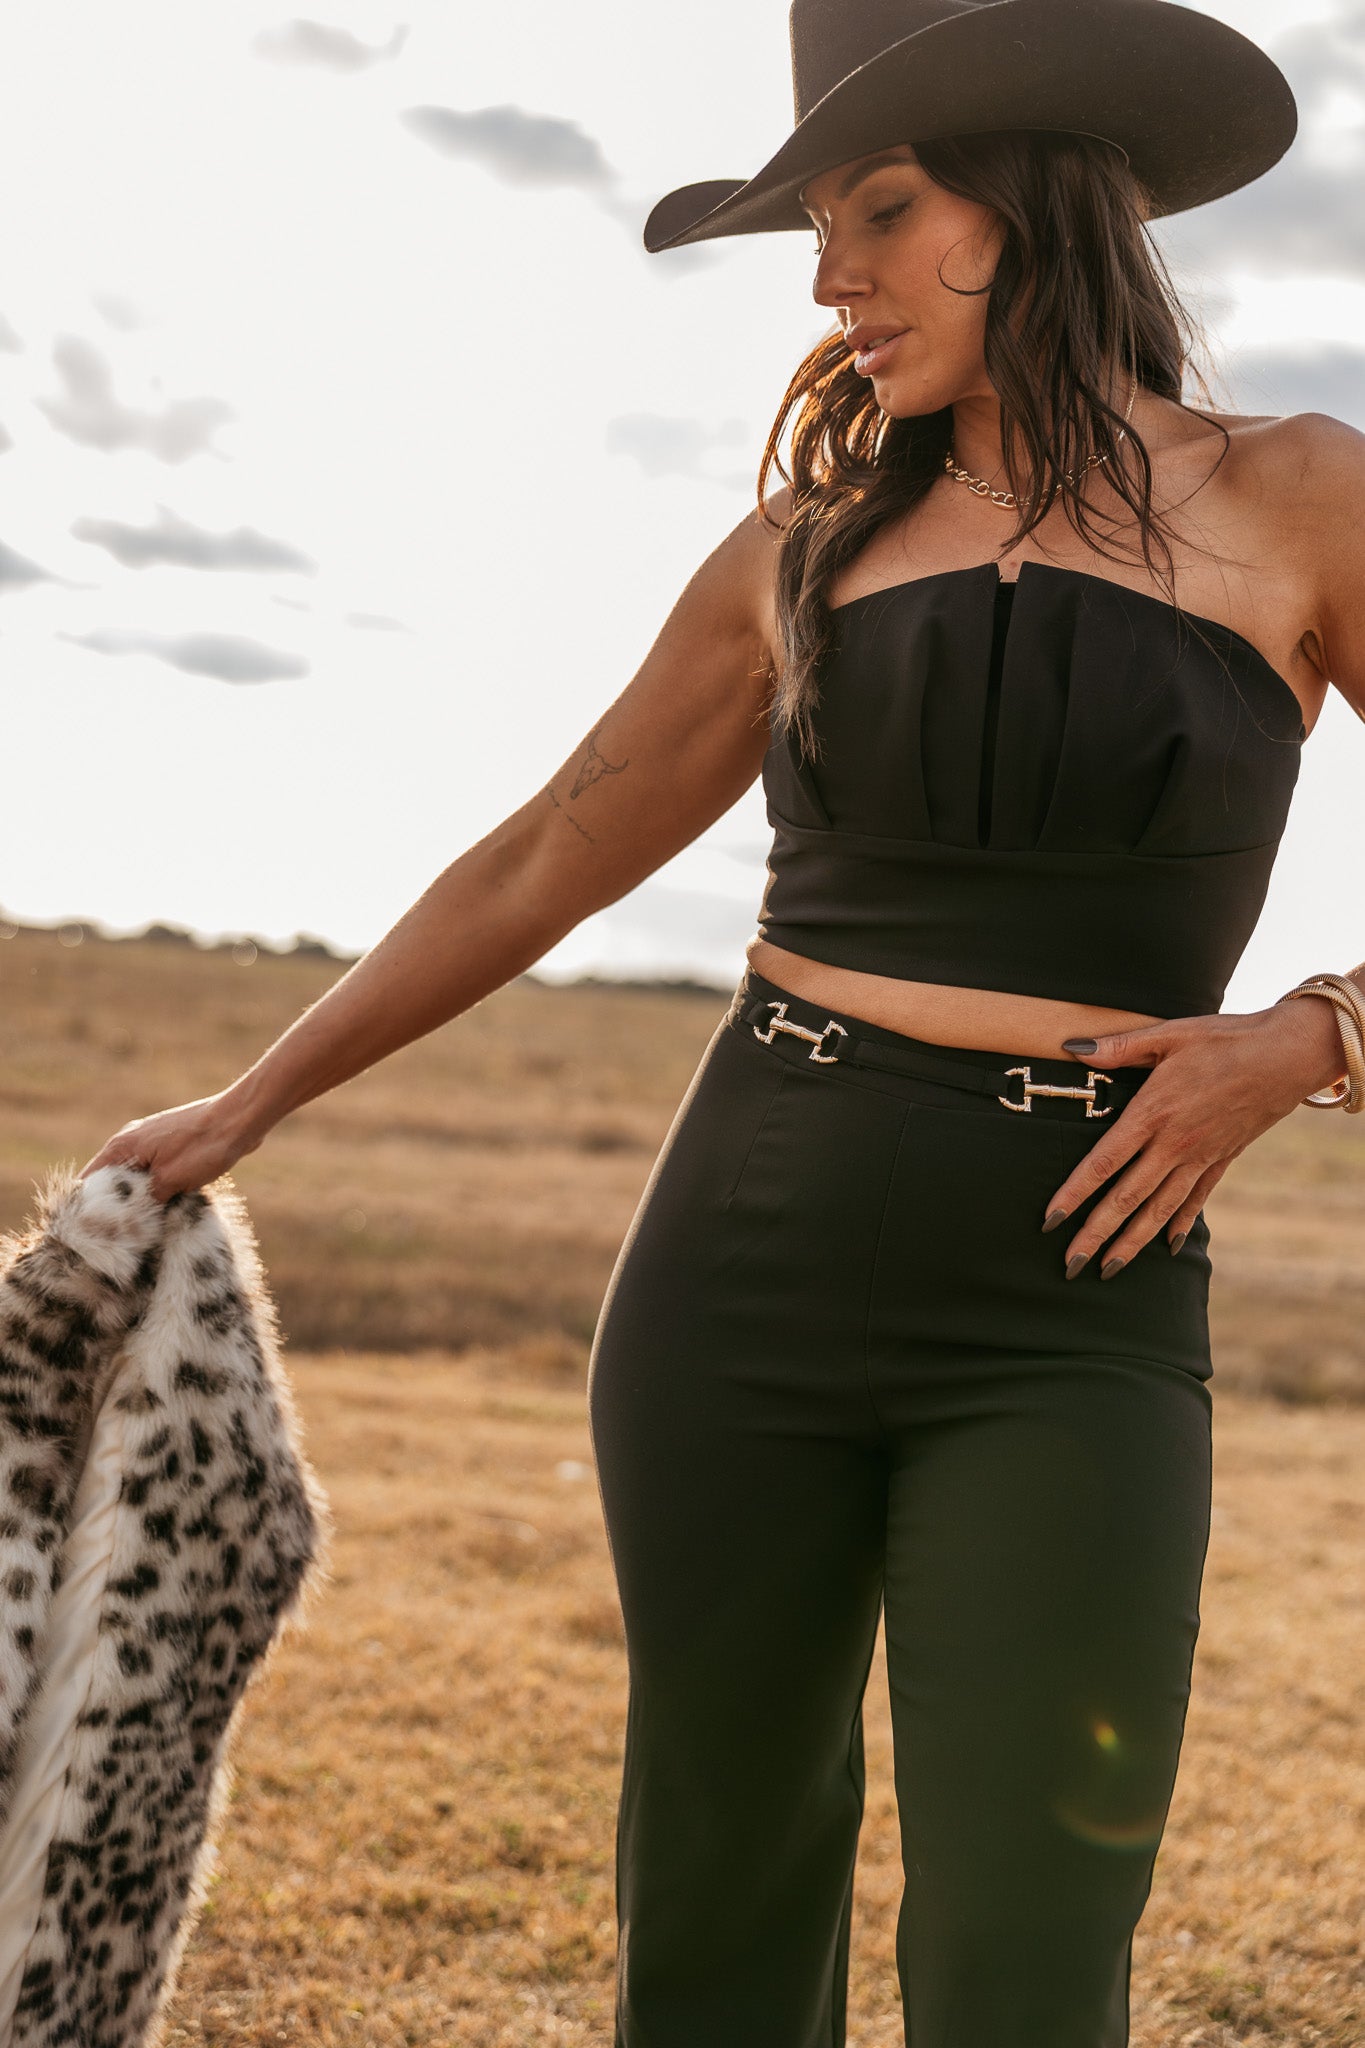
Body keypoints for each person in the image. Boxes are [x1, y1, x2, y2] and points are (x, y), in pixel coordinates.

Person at [80, 1, 1364, 2042]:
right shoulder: (799, 547)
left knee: (1027, 1949)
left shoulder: (1300, 498)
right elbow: (543, 856)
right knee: (717, 1888)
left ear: (1032, 202)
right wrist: (254, 1094)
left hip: (1076, 1299)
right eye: (816, 233)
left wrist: (1306, 1039)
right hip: (743, 1257)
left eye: (876, 210)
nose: (832, 280)